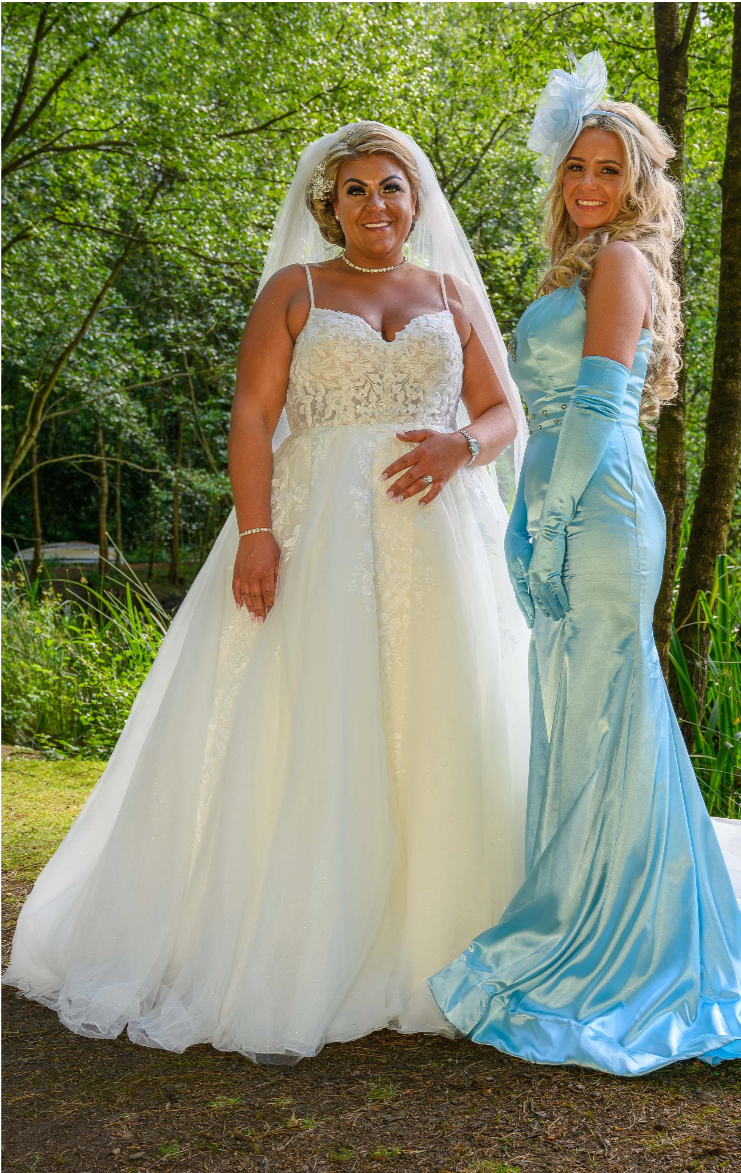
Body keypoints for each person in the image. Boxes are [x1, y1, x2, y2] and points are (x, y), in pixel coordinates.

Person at [429, 53, 741, 1075]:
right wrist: (524, 519)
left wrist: (557, 521)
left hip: (605, 506)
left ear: (639, 188)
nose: (587, 186)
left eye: (609, 171)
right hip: (564, 493)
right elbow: (537, 416)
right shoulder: (573, 267)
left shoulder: (621, 265)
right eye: (577, 167)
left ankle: (618, 942)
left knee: (608, 713)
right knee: (581, 716)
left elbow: (607, 403)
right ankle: (588, 917)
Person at [3, 122, 530, 1064]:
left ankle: (440, 929)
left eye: (393, 188)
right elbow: (251, 410)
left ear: (418, 201)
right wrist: (255, 531)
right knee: (311, 713)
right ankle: (296, 928)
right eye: (357, 190)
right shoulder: (295, 289)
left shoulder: (451, 294)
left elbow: (503, 410)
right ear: (328, 205)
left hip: (439, 533)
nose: (377, 205)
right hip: (314, 527)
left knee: (443, 716)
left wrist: (462, 444)